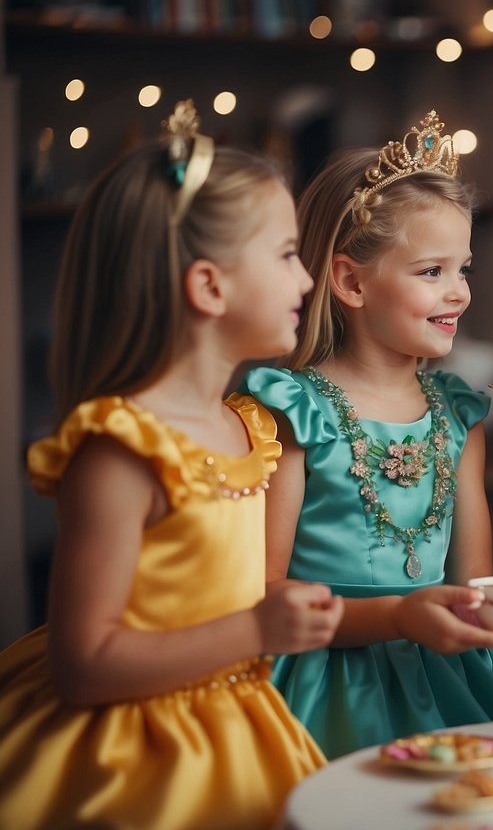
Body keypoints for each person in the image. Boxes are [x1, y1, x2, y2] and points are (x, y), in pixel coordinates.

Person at [0, 100, 345, 829]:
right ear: (209, 288)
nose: (307, 280)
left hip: (240, 726)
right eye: (286, 255)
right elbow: (84, 663)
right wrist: (256, 631)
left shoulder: (246, 425)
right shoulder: (123, 450)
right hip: (135, 760)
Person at [241, 111, 493, 758]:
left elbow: (473, 583)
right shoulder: (290, 412)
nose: (459, 293)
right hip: (320, 682)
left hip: (447, 676)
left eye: (463, 269)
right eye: (431, 271)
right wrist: (392, 617)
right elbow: (263, 598)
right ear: (351, 281)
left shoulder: (458, 416)